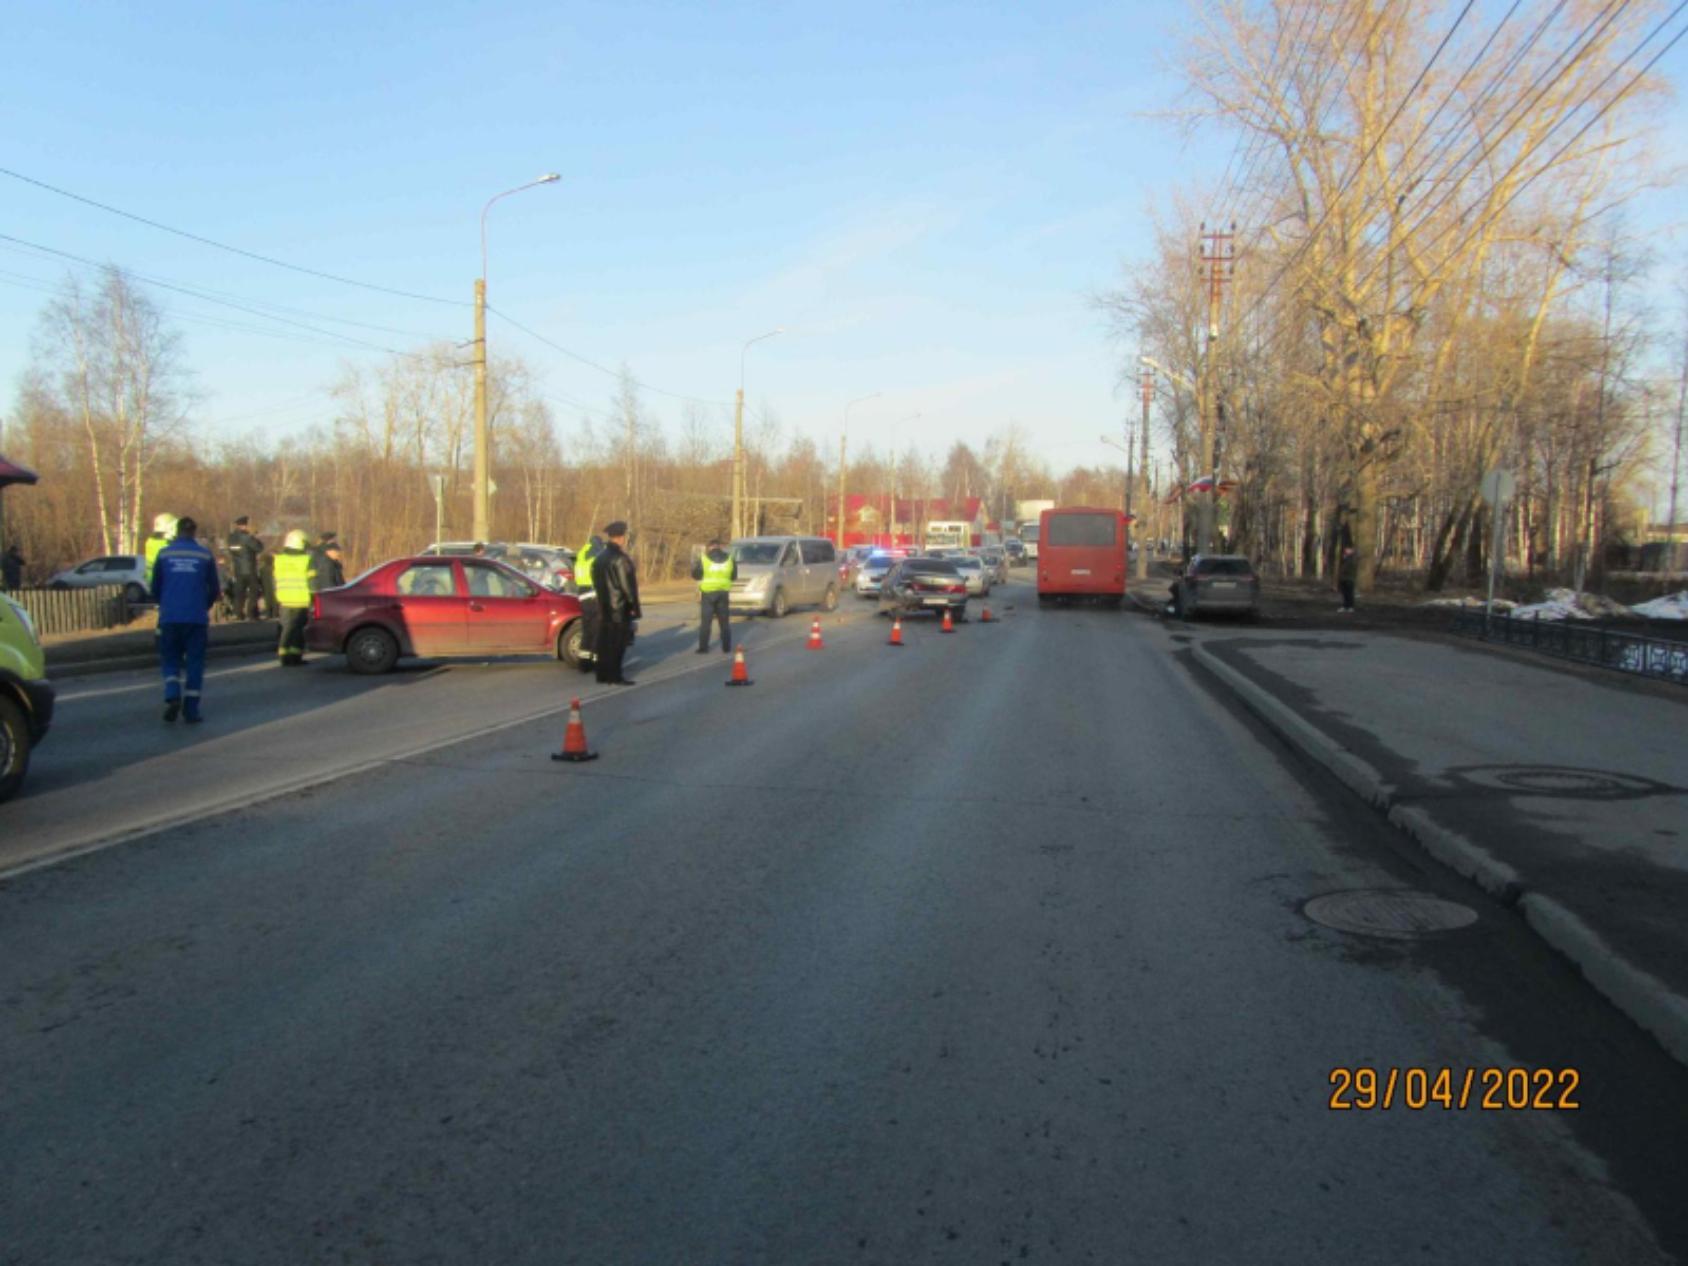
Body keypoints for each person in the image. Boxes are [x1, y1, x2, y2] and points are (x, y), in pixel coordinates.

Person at [150, 516, 221, 723]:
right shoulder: (204, 555)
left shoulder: (164, 554)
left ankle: (172, 694)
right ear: (194, 532)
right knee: (195, 663)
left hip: (170, 617)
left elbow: (155, 587)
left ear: (177, 531)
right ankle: (191, 710)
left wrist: (165, 604)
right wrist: (203, 606)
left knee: (170, 658)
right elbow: (214, 589)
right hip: (196, 618)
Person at [590, 521, 640, 685]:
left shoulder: (599, 558)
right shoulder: (620, 559)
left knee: (604, 642)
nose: (625, 539)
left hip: (604, 606)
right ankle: (615, 675)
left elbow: (596, 582)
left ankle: (602, 674)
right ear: (620, 537)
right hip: (619, 607)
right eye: (625, 536)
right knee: (618, 644)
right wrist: (634, 607)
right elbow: (627, 587)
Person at [273, 529, 318, 666]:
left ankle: (283, 655)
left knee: (286, 628)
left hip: (284, 600)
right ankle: (295, 656)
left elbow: (275, 580)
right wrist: (314, 598)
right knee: (298, 630)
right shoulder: (307, 560)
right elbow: (312, 582)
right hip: (301, 599)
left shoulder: (279, 559)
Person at [691, 537, 735, 653]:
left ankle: (703, 648)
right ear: (720, 546)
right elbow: (734, 576)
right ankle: (726, 647)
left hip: (708, 594)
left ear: (709, 547)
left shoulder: (704, 559)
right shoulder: (730, 559)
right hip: (723, 593)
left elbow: (696, 575)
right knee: (724, 622)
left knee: (706, 622)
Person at [573, 532, 605, 671]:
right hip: (595, 596)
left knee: (587, 630)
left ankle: (584, 664)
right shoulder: (597, 556)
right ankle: (598, 662)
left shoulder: (581, 556)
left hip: (583, 595)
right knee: (599, 630)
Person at [226, 515, 264, 620]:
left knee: (239, 592)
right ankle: (251, 613)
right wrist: (255, 537)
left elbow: (232, 552)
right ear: (244, 525)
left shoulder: (231, 538)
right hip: (250, 568)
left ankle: (238, 613)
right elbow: (259, 548)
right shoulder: (247, 537)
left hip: (238, 569)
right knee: (254, 591)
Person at [1337, 543, 1359, 613]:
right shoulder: (1345, 558)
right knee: (1345, 593)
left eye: (1348, 549)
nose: (1346, 550)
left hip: (1349, 577)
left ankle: (1350, 606)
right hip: (1344, 578)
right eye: (1346, 549)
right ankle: (1345, 606)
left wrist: (1346, 558)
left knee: (1349, 593)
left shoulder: (1352, 558)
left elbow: (1350, 567)